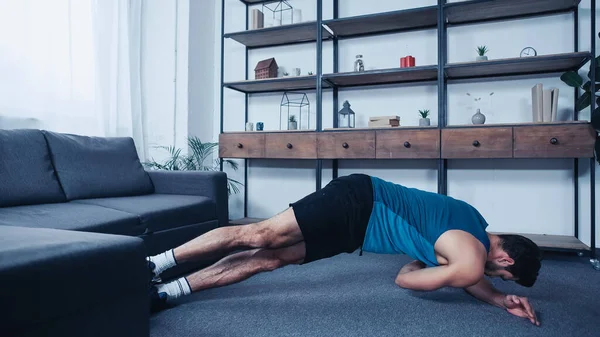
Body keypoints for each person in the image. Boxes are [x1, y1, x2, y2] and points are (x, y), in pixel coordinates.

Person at [147, 174, 542, 325]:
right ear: (505, 259)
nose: (496, 277)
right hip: (359, 200)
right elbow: (406, 279)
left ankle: (168, 292)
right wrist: (417, 264)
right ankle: (155, 263)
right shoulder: (472, 262)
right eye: (504, 275)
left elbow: (470, 274)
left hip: (356, 228)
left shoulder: (475, 222)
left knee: (269, 260)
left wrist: (498, 299)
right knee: (262, 235)